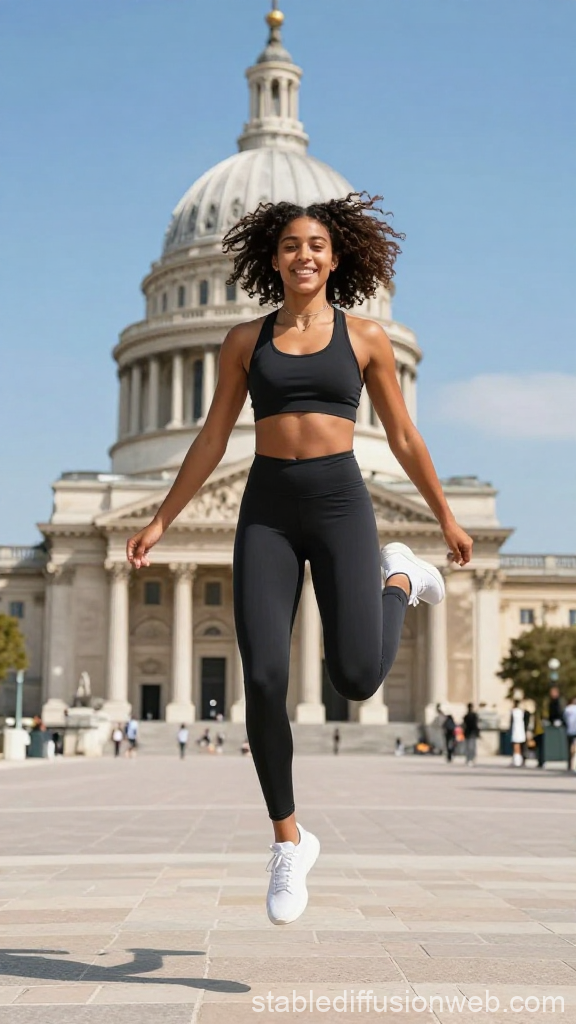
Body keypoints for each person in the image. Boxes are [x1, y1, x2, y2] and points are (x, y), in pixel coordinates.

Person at [126, 192, 473, 926]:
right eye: (290, 244)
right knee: (263, 675)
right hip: (267, 507)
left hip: (345, 501)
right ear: (272, 258)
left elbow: (404, 439)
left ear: (336, 255)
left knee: (354, 673)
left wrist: (445, 515)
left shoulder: (367, 336)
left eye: (316, 244)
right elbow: (214, 439)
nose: (304, 254)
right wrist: (161, 518)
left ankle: (402, 577)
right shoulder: (244, 341)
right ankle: (289, 838)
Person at [510, 699, 526, 767]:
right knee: (520, 746)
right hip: (521, 730)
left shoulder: (514, 712)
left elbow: (511, 722)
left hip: (516, 730)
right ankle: (519, 760)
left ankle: (517, 761)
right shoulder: (522, 712)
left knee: (516, 746)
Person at [563, 697, 576, 772]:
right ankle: (570, 764)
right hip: (571, 731)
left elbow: (564, 719)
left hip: (570, 731)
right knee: (571, 748)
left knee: (570, 748)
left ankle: (570, 764)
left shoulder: (567, 709)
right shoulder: (568, 709)